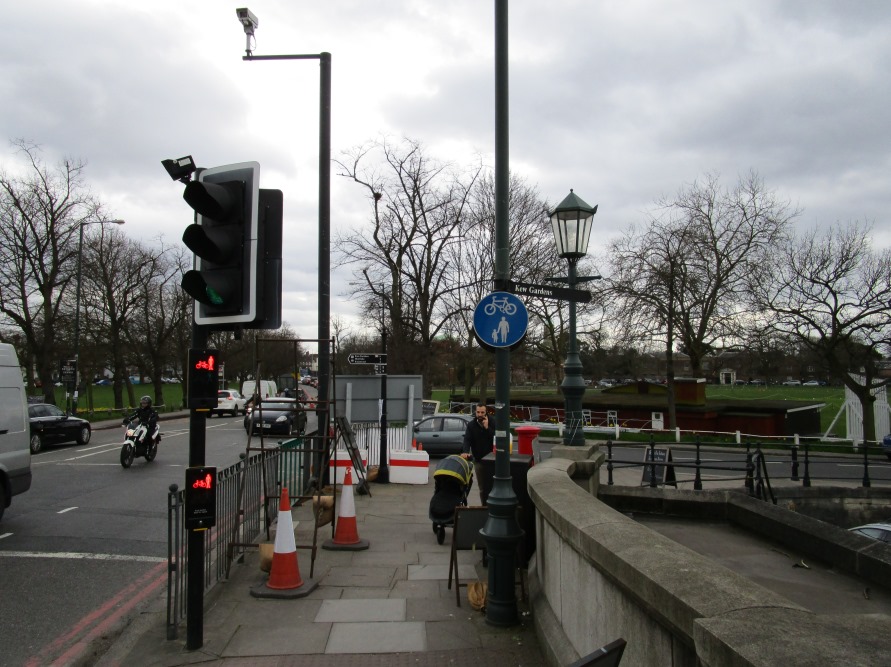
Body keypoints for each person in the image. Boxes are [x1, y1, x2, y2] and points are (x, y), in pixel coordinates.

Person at [462, 403, 496, 505]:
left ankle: (493, 505)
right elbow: (467, 440)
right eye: (478, 412)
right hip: (479, 460)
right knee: (482, 488)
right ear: (475, 412)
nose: (480, 414)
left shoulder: (492, 422)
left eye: (482, 412)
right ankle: (484, 506)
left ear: (486, 413)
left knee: (492, 485)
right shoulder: (472, 425)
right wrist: (465, 452)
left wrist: (487, 428)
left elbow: (496, 438)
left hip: (491, 461)